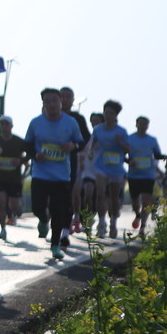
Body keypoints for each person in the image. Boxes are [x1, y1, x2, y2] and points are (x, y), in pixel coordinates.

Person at [24, 88, 83, 258]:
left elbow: (81, 142)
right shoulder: (36, 123)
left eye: (54, 100)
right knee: (37, 207)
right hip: (40, 173)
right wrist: (35, 154)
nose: (51, 104)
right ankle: (43, 220)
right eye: (47, 101)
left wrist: (72, 146)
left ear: (61, 102)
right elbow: (27, 145)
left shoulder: (71, 123)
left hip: (61, 176)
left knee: (58, 210)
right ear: (43, 104)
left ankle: (55, 245)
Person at [91, 100, 130, 238]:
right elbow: (93, 143)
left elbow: (128, 149)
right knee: (100, 194)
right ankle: (102, 223)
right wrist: (89, 152)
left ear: (116, 115)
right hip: (101, 165)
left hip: (116, 168)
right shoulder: (98, 129)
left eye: (111, 113)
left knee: (114, 197)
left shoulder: (121, 131)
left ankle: (113, 222)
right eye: (106, 112)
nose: (108, 115)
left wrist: (119, 142)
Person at [127, 116, 167, 235]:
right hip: (133, 175)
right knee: (135, 202)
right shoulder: (129, 139)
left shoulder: (152, 140)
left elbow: (157, 154)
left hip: (148, 175)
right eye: (141, 123)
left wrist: (164, 157)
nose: (143, 126)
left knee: (146, 201)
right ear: (136, 125)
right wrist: (129, 161)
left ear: (148, 126)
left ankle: (143, 227)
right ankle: (137, 215)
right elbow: (123, 155)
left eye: (145, 124)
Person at [60, 87, 91, 229]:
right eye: (62, 96)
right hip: (51, 162)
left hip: (73, 161)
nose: (65, 99)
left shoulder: (78, 119)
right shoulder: (50, 116)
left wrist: (75, 146)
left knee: (73, 193)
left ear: (73, 100)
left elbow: (86, 139)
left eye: (68, 96)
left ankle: (74, 218)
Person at [0, 116, 29, 242]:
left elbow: (30, 153)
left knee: (14, 206)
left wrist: (20, 160)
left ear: (11, 126)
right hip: (0, 178)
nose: (4, 127)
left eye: (6, 124)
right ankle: (2, 229)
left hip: (14, 179)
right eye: (2, 124)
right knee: (1, 203)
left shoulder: (19, 141)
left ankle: (14, 212)